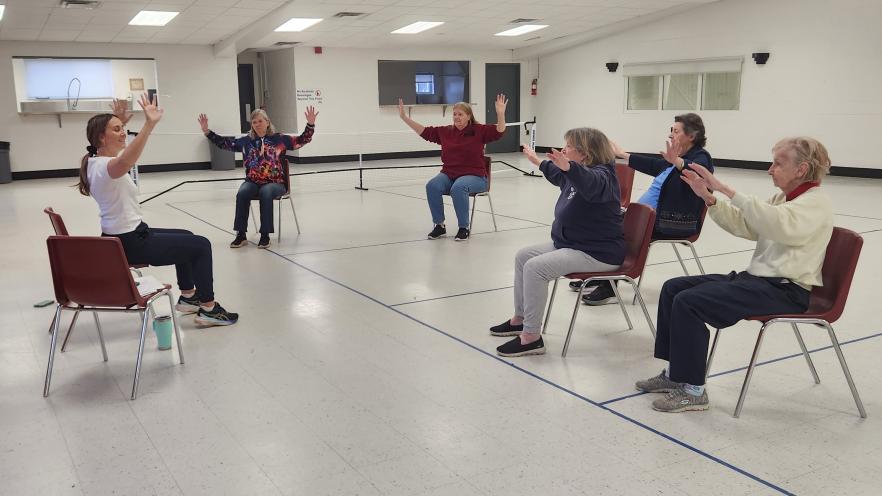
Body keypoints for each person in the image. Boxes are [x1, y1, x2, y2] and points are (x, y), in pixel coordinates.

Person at [635, 137, 833, 413]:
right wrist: (708, 197)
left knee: (689, 302)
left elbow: (779, 226)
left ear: (801, 169)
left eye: (778, 163)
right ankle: (676, 374)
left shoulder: (816, 203)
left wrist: (725, 188)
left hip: (787, 291)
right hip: (758, 280)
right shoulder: (782, 198)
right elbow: (749, 226)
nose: (770, 168)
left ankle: (694, 391)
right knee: (673, 288)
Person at [76, 94, 238, 326]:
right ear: (101, 137)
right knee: (201, 245)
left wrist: (119, 123)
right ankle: (209, 308)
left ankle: (189, 298)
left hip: (126, 236)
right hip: (130, 242)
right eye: (116, 130)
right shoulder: (105, 167)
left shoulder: (95, 161)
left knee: (187, 237)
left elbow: (119, 156)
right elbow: (125, 162)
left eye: (122, 128)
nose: (123, 133)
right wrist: (149, 124)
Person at [489, 128, 625, 357]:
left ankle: (531, 337)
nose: (564, 149)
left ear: (585, 153)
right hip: (572, 244)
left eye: (569, 147)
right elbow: (558, 174)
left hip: (597, 252)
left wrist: (570, 167)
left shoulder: (603, 177)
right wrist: (538, 162)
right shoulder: (577, 173)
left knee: (535, 268)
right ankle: (520, 319)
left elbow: (589, 182)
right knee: (524, 256)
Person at [575, 113, 714, 305]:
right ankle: (598, 273)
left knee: (618, 230)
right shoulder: (676, 159)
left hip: (672, 222)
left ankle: (608, 285)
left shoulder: (699, 158)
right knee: (602, 222)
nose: (671, 135)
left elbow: (698, 171)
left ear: (692, 136)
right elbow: (654, 164)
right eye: (671, 131)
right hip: (649, 217)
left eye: (676, 131)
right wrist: (623, 154)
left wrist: (678, 162)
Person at [199, 107, 317, 249]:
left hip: (275, 183)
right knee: (242, 193)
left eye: (260, 121)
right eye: (254, 122)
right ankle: (241, 234)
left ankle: (265, 235)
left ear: (267, 122)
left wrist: (310, 125)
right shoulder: (246, 141)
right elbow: (225, 143)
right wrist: (207, 132)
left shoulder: (279, 139)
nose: (257, 124)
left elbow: (302, 140)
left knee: (265, 192)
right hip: (253, 181)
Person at [398, 95, 507, 241]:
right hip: (449, 174)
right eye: (454, 114)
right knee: (432, 186)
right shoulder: (446, 132)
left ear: (469, 116)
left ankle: (463, 228)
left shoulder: (479, 130)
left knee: (458, 187)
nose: (456, 117)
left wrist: (500, 114)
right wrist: (405, 117)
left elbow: (499, 132)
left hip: (476, 177)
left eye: (460, 114)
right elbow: (424, 132)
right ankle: (439, 225)